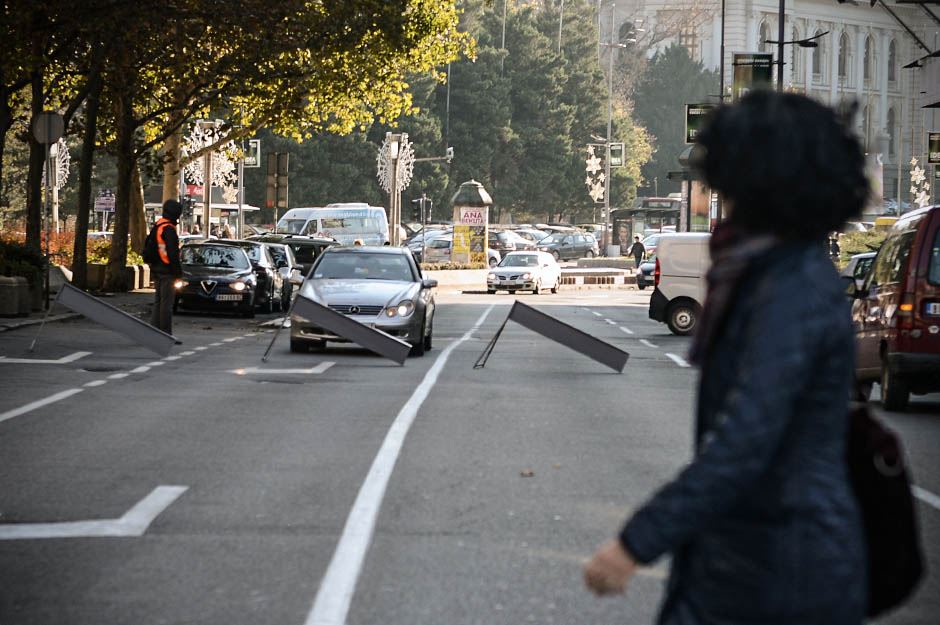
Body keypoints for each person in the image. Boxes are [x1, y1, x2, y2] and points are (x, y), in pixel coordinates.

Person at [584, 91, 869, 624]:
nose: (721, 196)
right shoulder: (771, 274)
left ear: (760, 186)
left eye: (728, 182)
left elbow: (745, 441)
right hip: (753, 556)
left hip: (781, 570)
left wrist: (634, 544)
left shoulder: (790, 289)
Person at [147, 199, 183, 337]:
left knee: (158, 302)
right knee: (166, 304)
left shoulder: (158, 225)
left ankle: (154, 331)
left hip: (157, 268)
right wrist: (178, 273)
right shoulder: (169, 229)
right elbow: (173, 253)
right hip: (167, 270)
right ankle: (165, 334)